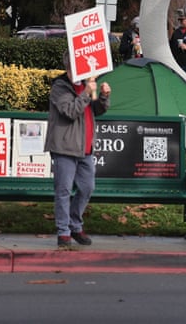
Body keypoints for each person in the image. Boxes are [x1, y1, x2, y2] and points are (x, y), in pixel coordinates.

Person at [47, 52, 110, 247]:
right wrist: (85, 93)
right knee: (64, 190)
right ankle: (64, 230)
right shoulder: (60, 87)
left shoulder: (85, 84)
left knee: (87, 187)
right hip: (65, 147)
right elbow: (70, 111)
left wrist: (103, 97)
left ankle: (75, 224)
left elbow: (96, 111)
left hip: (86, 148)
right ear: (70, 67)